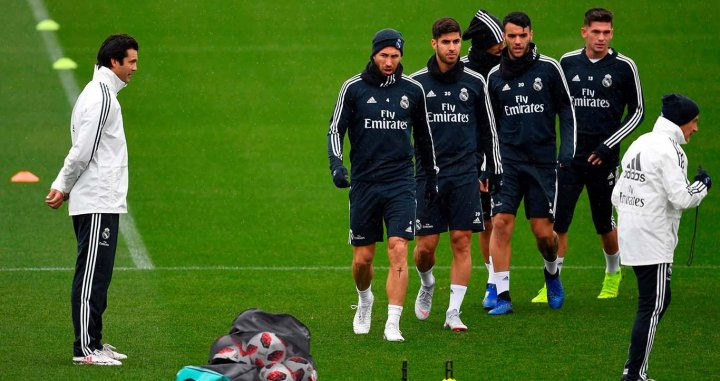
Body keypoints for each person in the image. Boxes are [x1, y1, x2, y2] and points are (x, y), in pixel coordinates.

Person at [327, 28, 438, 342]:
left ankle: (393, 322)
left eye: (395, 56)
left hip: (401, 183)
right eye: (384, 55)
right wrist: (337, 165)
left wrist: (431, 178)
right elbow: (335, 130)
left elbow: (425, 138)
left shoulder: (413, 91)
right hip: (364, 184)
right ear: (374, 55)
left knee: (399, 249)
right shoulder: (353, 89)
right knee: (363, 259)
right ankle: (364, 300)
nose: (389, 61)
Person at [531, 8, 645, 304]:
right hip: (569, 158)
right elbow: (552, 105)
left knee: (603, 222)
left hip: (603, 160)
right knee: (560, 223)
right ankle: (553, 282)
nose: (601, 38)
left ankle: (612, 273)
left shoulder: (624, 66)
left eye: (607, 32)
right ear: (584, 32)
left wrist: (608, 145)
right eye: (596, 32)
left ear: (612, 34)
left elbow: (638, 112)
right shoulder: (567, 63)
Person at [45, 34, 139, 365]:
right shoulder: (101, 97)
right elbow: (84, 149)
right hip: (97, 199)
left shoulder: (104, 93)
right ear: (114, 62)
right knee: (91, 276)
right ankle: (85, 348)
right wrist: (63, 183)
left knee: (99, 275)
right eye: (131, 62)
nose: (134, 68)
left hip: (104, 198)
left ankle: (94, 342)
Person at [409, 17, 500, 331]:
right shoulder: (416, 83)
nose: (452, 47)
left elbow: (488, 130)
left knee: (462, 242)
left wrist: (491, 166)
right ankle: (427, 281)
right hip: (428, 176)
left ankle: (453, 313)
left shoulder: (475, 82)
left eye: (456, 42)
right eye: (445, 42)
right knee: (425, 248)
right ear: (433, 43)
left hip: (465, 175)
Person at [485, 12, 576, 314]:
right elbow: (489, 125)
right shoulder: (495, 77)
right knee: (500, 223)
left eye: (523, 35)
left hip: (542, 163)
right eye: (512, 36)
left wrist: (568, 150)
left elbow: (566, 108)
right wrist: (488, 163)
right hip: (508, 163)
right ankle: (503, 295)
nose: (518, 41)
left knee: (543, 234)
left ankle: (551, 273)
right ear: (504, 38)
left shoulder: (549, 68)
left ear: (531, 34)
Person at [614, 94, 710, 380]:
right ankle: (634, 374)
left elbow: (617, 192)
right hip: (652, 238)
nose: (695, 129)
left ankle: (634, 371)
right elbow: (681, 198)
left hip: (632, 233)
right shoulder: (672, 151)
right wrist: (703, 185)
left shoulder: (640, 143)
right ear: (680, 122)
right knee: (653, 304)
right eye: (693, 122)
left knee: (657, 301)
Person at [460, 9, 504, 310]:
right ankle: (493, 281)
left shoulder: (509, 67)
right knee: (487, 219)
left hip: (512, 151)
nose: (504, 47)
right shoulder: (463, 69)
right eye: (497, 43)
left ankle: (552, 272)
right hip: (477, 154)